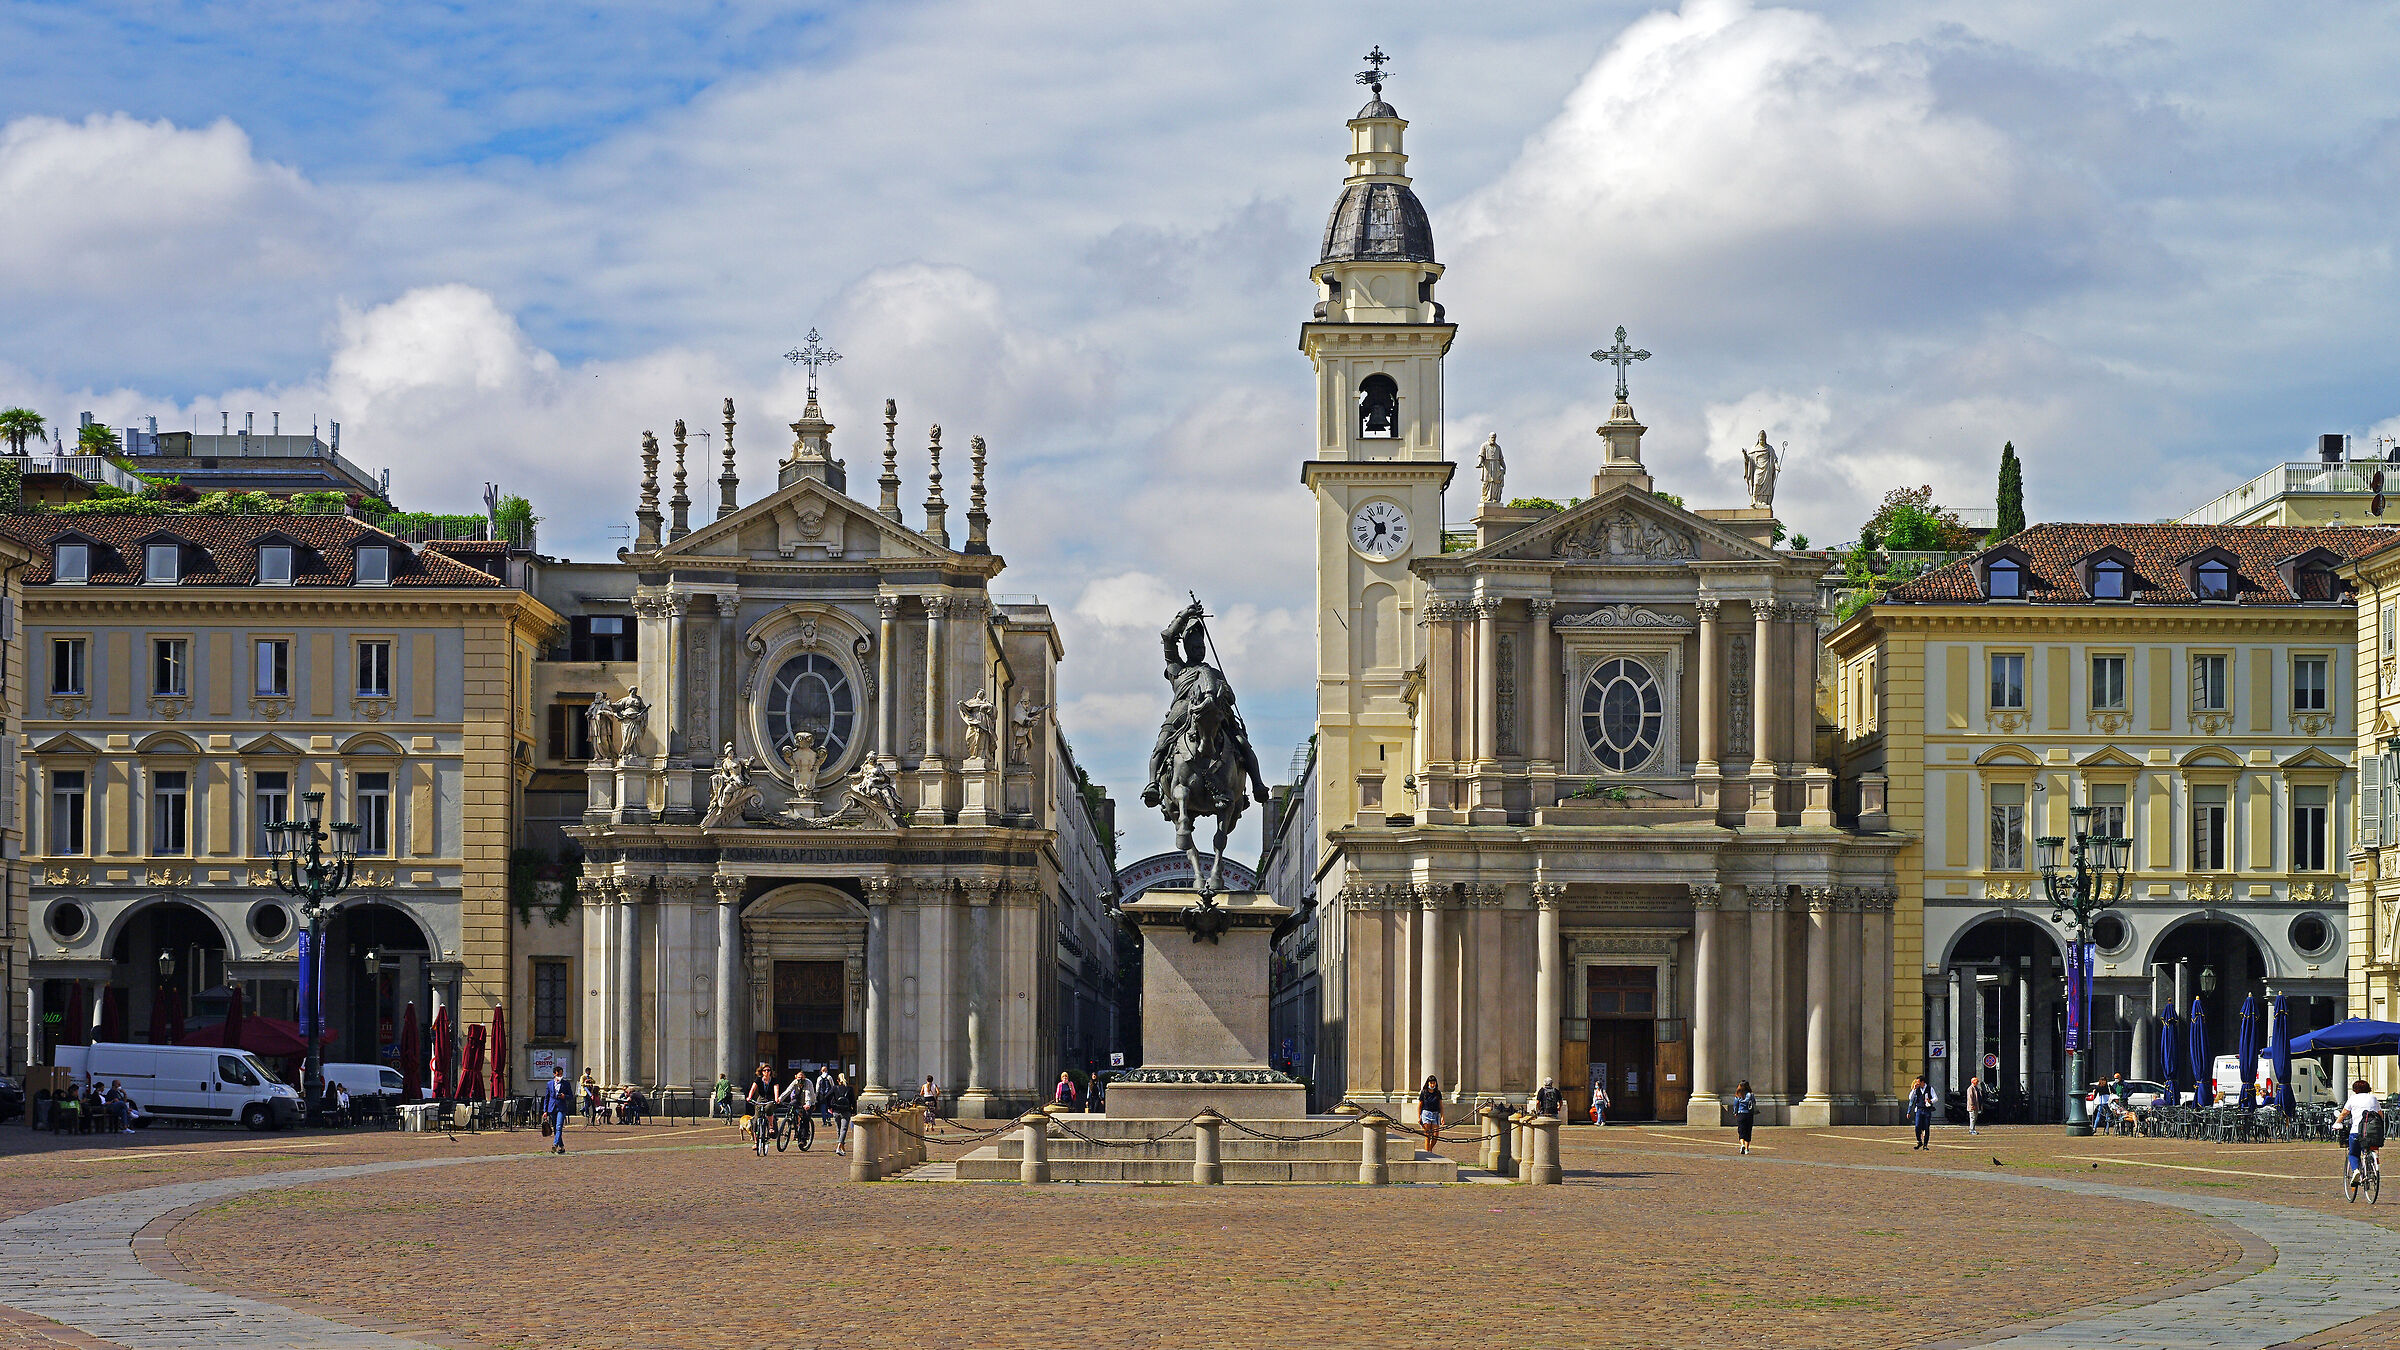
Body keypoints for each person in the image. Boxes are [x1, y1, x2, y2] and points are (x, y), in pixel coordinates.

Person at [2336, 1077, 2386, 1185]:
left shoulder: (2353, 1099)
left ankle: (2356, 1171)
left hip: (2356, 1131)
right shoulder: (2373, 1098)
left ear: (2355, 1089)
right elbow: (2380, 1115)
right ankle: (2371, 1167)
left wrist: (2337, 1123)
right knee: (2368, 1149)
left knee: (2353, 1154)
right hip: (2372, 1132)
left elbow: (2344, 1113)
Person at [540, 1066, 573, 1154]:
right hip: (552, 1108)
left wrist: (564, 1096)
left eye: (561, 1074)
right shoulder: (549, 1084)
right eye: (558, 1074)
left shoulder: (566, 1084)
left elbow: (571, 1096)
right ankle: (561, 1147)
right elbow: (547, 1098)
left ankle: (555, 1144)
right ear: (554, 1074)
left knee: (559, 1126)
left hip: (561, 1108)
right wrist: (545, 1111)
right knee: (555, 1128)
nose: (560, 1076)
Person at [829, 1071, 856, 1156]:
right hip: (846, 1111)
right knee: (843, 1129)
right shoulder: (849, 1088)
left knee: (838, 1129)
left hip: (836, 1110)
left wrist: (830, 1106)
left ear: (837, 1080)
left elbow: (826, 1096)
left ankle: (841, 1148)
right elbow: (853, 1101)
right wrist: (854, 1111)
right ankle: (839, 1146)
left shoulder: (834, 1088)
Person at [1907, 1076, 1938, 1150]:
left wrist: (1930, 1101)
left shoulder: (1930, 1088)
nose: (1917, 1083)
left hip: (1927, 1110)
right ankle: (1919, 1141)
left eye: (1918, 1082)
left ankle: (1925, 1145)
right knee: (1917, 1126)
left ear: (1922, 1082)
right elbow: (1910, 1098)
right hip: (1919, 1110)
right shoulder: (1917, 1089)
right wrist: (1914, 1089)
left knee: (1926, 1127)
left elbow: (1936, 1098)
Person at [1418, 1075, 1444, 1153]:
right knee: (1427, 1136)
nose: (1432, 1085)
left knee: (1435, 1136)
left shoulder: (1438, 1093)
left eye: (1434, 1083)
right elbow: (1420, 1105)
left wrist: (1442, 1117)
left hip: (1435, 1114)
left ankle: (1429, 1149)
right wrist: (1419, 1116)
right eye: (1431, 1083)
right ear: (1428, 1083)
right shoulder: (1424, 1092)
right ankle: (1428, 1153)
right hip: (1426, 1114)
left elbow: (1441, 1106)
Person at [1731, 1080, 1758, 1155]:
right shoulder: (1750, 1095)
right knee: (1748, 1131)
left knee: (1741, 1131)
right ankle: (1747, 1149)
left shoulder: (1738, 1095)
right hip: (1749, 1114)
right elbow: (1754, 1103)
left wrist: (1735, 1112)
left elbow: (1735, 1105)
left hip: (1741, 1114)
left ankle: (1742, 1144)